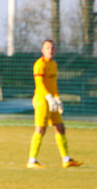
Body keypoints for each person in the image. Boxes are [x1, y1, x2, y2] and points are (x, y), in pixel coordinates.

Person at [26, 39, 83, 169]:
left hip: (52, 100)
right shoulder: (39, 64)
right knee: (41, 128)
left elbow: (53, 84)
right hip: (42, 100)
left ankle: (66, 159)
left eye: (52, 48)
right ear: (42, 50)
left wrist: (57, 98)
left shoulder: (54, 64)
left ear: (55, 50)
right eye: (47, 48)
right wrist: (49, 97)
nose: (50, 51)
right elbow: (39, 84)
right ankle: (32, 160)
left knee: (60, 127)